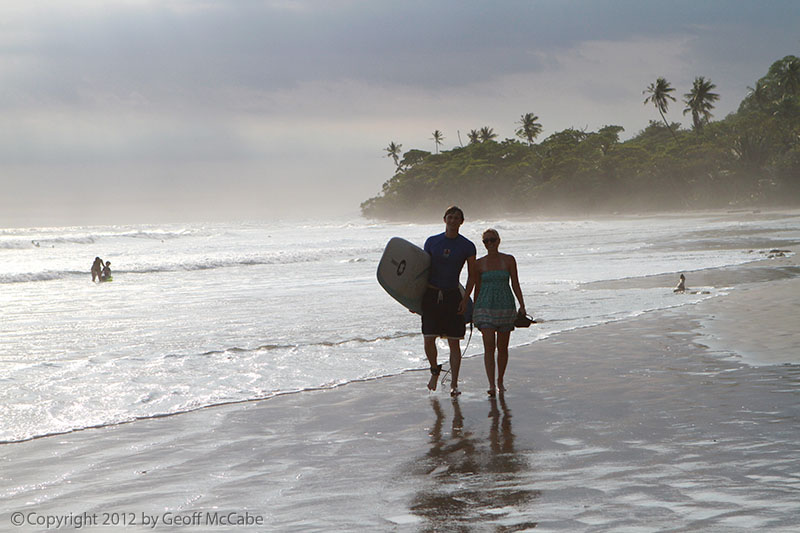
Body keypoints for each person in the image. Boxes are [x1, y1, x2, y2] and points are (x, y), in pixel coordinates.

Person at [422, 206, 477, 396]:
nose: (453, 221)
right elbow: (422, 271)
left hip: (453, 295)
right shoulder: (432, 242)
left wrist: (465, 297)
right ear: (444, 219)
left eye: (457, 218)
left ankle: (454, 383)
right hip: (431, 294)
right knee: (429, 339)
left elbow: (472, 275)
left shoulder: (467, 246)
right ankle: (434, 371)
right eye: (450, 217)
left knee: (454, 342)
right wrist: (413, 300)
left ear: (462, 222)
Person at [472, 229, 525, 397]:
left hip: (505, 306)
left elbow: (515, 283)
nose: (489, 243)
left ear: (498, 240)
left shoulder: (509, 260)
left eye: (492, 240)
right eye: (486, 241)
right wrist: (474, 310)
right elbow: (477, 287)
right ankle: (491, 384)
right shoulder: (479, 263)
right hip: (484, 306)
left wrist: (522, 306)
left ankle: (500, 380)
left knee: (502, 347)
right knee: (489, 346)